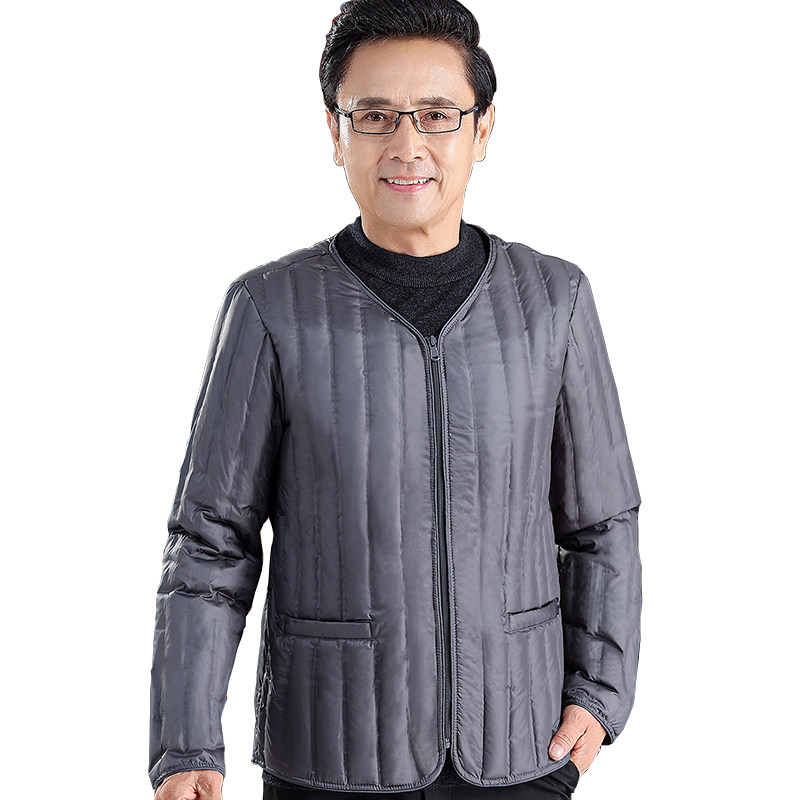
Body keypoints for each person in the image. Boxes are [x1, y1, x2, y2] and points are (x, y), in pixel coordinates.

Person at [148, 2, 642, 799]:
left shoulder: (554, 302)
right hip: (329, 753)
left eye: (437, 115)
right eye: (374, 116)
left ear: (482, 129)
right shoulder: (270, 309)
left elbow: (601, 523)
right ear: (335, 132)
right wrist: (185, 744)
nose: (407, 145)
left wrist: (599, 694)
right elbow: (211, 542)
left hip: (520, 749)